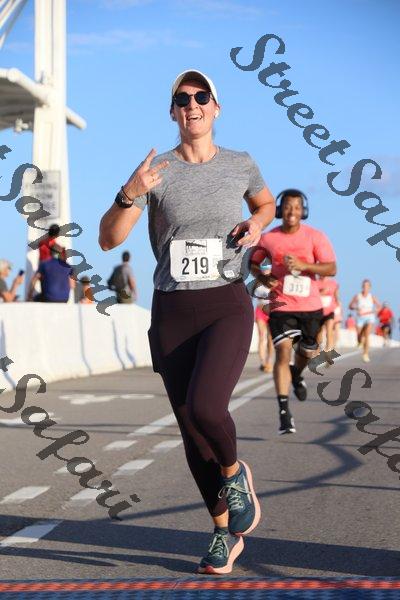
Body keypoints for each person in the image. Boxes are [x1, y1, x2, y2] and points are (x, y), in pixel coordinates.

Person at [99, 69, 275, 574]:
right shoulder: (156, 172)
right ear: (172, 111)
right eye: (182, 98)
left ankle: (235, 473)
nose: (191, 105)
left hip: (225, 303)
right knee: (192, 432)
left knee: (206, 407)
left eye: (201, 96)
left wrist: (257, 222)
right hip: (172, 310)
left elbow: (264, 203)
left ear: (216, 107)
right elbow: (109, 240)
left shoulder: (240, 163)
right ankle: (222, 533)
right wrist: (129, 193)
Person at [251, 189, 336, 435]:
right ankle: (284, 412)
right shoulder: (269, 238)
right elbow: (253, 262)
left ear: (303, 211)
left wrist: (304, 265)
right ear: (280, 209)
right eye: (288, 206)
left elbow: (331, 268)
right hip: (282, 305)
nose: (292, 212)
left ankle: (297, 374)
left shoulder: (315, 236)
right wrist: (263, 279)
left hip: (310, 307)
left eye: (297, 207)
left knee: (307, 352)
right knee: (283, 352)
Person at [349, 279, 381, 362]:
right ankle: (360, 341)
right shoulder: (358, 296)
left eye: (367, 286)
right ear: (362, 287)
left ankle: (365, 354)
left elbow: (379, 307)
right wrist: (356, 308)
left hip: (369, 317)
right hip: (360, 318)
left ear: (370, 287)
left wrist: (374, 310)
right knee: (359, 336)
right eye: (364, 286)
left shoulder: (372, 297)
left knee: (367, 335)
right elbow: (350, 306)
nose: (365, 287)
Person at [317, 276, 340, 360]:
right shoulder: (316, 282)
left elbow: (336, 296)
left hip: (330, 311)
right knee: (319, 333)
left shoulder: (333, 283)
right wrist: (322, 293)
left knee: (329, 331)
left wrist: (338, 304)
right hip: (319, 311)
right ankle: (321, 347)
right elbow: (313, 296)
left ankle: (328, 352)